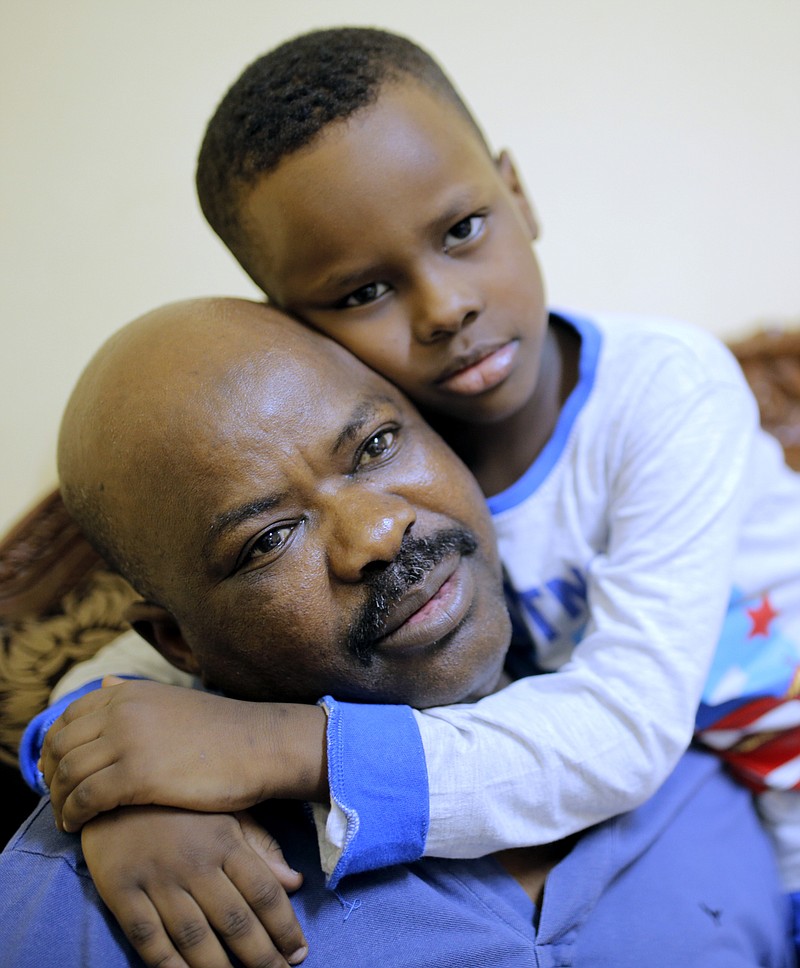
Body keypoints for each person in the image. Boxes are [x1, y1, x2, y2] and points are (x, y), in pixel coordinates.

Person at [1, 297, 793, 968]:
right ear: (178, 643)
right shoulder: (98, 899)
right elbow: (108, 711)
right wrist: (109, 782)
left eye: (377, 445)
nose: (379, 531)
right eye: (269, 540)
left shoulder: (680, 712)